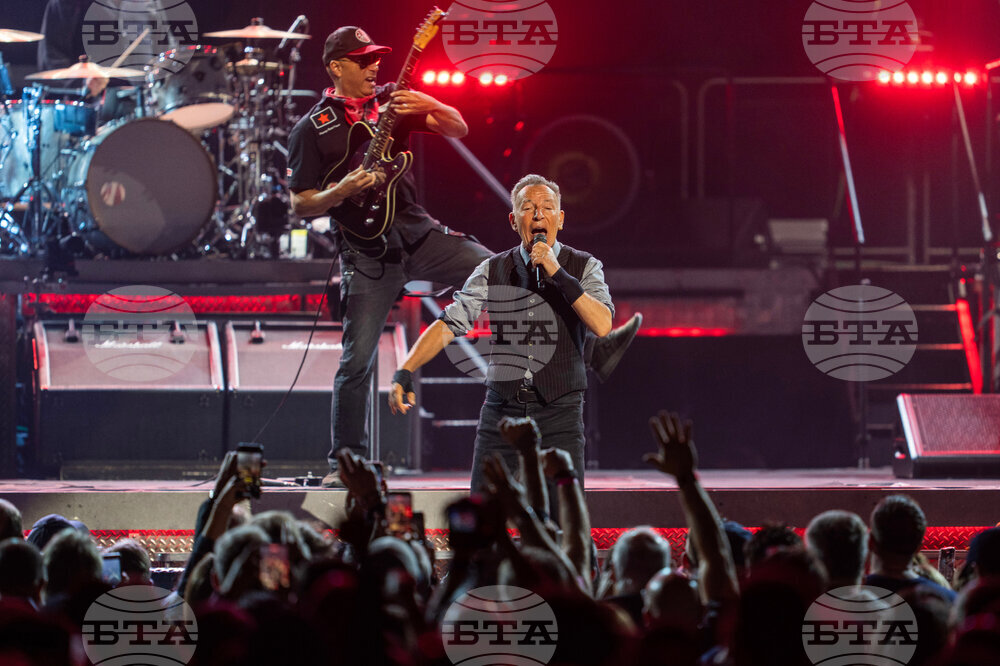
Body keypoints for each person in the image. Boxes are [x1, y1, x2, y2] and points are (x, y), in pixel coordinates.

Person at [289, 28, 640, 487]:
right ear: (337, 67)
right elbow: (301, 203)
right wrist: (341, 191)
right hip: (368, 255)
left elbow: (458, 127)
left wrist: (428, 104)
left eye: (376, 57)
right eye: (362, 60)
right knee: (357, 361)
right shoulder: (312, 129)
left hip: (421, 236)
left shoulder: (392, 104)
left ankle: (594, 348)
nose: (374, 66)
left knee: (512, 273)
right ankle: (347, 464)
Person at [388, 174, 613, 489]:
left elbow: (602, 324)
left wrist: (557, 272)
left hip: (559, 413)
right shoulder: (492, 269)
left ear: (560, 219)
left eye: (548, 207)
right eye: (528, 208)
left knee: (561, 516)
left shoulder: (584, 266)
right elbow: (450, 322)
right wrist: (405, 368)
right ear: (513, 219)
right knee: (482, 513)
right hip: (502, 410)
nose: (538, 215)